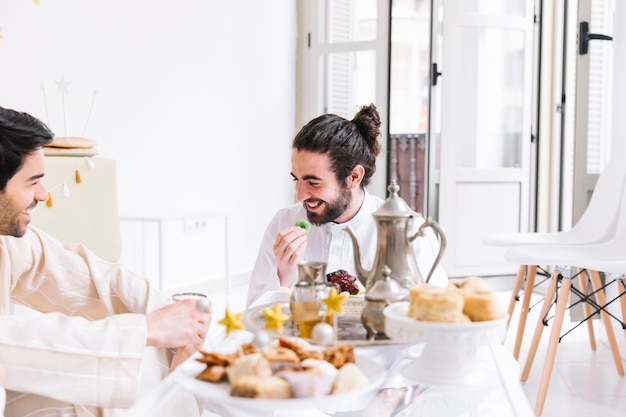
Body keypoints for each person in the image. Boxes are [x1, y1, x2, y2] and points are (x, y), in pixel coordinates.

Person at [0, 105, 210, 416]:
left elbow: (88, 277)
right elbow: (12, 340)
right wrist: (146, 329)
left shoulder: (8, 242)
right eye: (32, 182)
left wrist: (179, 316)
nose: (43, 194)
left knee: (150, 360)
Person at [246, 103, 447, 307]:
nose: (300, 195)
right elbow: (252, 317)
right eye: (295, 179)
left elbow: (436, 314)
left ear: (354, 177)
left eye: (313, 182)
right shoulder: (284, 223)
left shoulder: (409, 232)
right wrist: (283, 278)